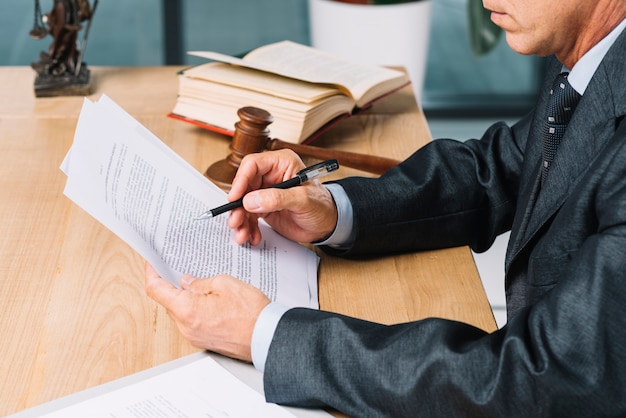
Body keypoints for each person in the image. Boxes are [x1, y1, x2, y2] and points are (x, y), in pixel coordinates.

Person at [145, 0, 626, 415]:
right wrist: (332, 209)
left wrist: (266, 334)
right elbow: (498, 169)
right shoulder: (595, 58)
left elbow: (536, 381)